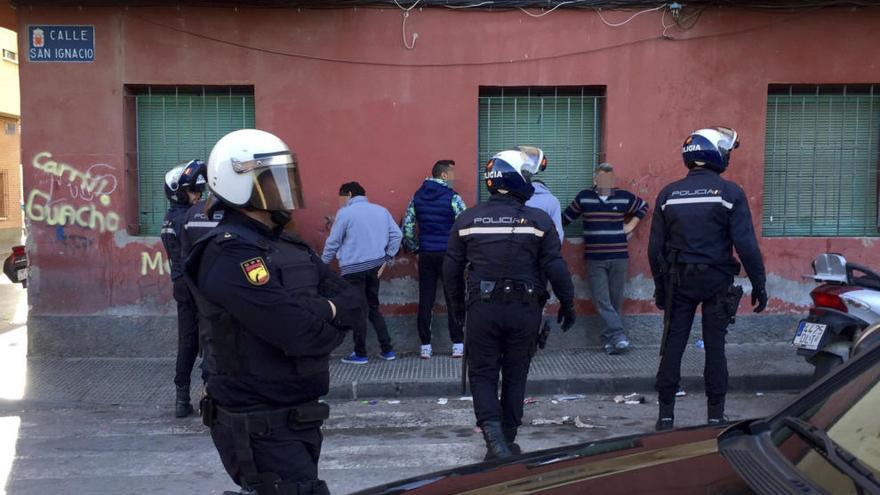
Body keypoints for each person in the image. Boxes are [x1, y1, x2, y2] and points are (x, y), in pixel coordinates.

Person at [184, 129, 364, 495]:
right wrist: (326, 319)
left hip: (296, 415)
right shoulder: (227, 253)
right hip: (259, 421)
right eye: (270, 180)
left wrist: (316, 315)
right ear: (236, 184)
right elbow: (298, 333)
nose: (282, 189)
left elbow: (353, 302)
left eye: (284, 178)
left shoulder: (286, 243)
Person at [443, 146, 576, 460]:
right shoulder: (539, 220)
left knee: (483, 373)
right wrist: (568, 303)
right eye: (527, 175)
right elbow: (555, 266)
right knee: (516, 373)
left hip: (482, 310)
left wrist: (458, 309)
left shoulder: (468, 218)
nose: (530, 180)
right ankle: (508, 438)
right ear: (516, 179)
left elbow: (450, 269)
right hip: (524, 310)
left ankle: (494, 440)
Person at [648, 126, 768, 431]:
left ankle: (665, 417)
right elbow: (747, 245)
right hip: (716, 281)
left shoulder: (668, 194)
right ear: (715, 154)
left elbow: (654, 250)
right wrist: (759, 283)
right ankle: (715, 416)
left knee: (673, 344)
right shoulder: (729, 193)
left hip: (679, 281)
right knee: (715, 346)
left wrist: (660, 288)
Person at [562, 162, 648, 355]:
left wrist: (630, 225)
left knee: (615, 301)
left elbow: (643, 206)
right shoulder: (584, 197)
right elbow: (565, 218)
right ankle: (619, 335)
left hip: (619, 257)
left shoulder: (624, 197)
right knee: (602, 300)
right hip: (595, 259)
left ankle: (611, 342)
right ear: (595, 180)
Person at [322, 181, 402, 365]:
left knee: (357, 311)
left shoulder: (345, 213)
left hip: (352, 270)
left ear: (348, 194)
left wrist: (322, 266)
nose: (339, 202)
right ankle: (387, 350)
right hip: (375, 267)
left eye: (341, 197)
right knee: (373, 308)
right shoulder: (381, 210)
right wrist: (388, 258)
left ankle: (360, 353)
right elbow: (397, 235)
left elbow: (333, 243)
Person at [402, 160, 467, 359]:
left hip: (427, 254)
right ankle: (457, 344)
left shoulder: (417, 197)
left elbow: (407, 226)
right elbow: (464, 224)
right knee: (453, 299)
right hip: (448, 255)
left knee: (426, 299)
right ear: (444, 175)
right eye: (452, 173)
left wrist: (415, 248)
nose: (455, 177)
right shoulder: (453, 198)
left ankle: (425, 347)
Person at [160, 159, 207, 418]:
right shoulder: (188, 218)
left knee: (187, 342)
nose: (198, 195)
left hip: (180, 285)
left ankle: (181, 400)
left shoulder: (169, 218)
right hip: (197, 285)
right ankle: (208, 393)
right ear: (178, 191)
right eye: (193, 191)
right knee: (210, 337)